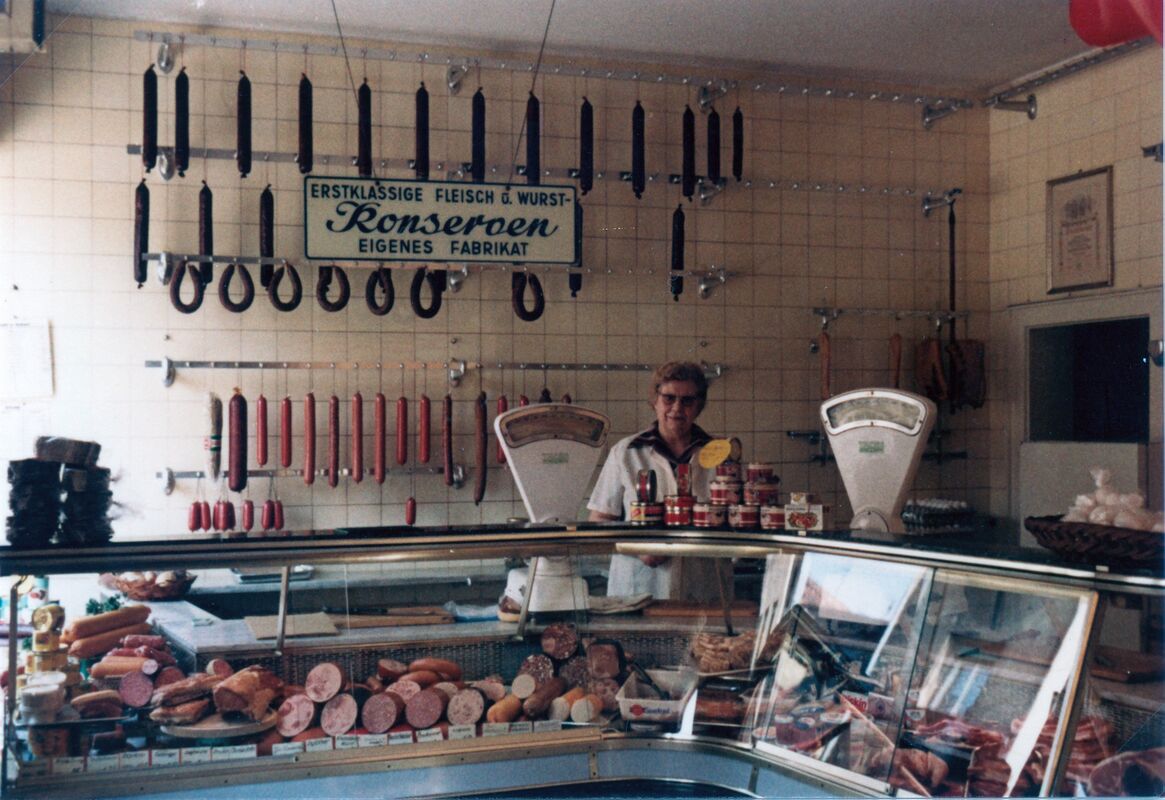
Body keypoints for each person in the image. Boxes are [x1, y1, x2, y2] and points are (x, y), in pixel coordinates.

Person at [587, 361, 726, 600]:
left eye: (687, 400)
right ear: (655, 400)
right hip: (638, 592)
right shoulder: (626, 452)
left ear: (699, 405)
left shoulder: (720, 454)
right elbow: (599, 521)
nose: (677, 408)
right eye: (669, 398)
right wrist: (639, 549)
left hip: (704, 590)